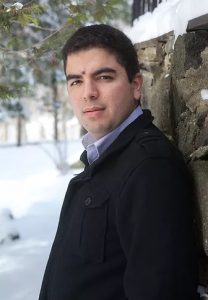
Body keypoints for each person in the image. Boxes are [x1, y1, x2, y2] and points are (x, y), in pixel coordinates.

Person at [38, 24, 198, 300]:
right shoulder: (105, 155)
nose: (88, 92)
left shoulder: (150, 167)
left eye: (103, 77)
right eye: (76, 80)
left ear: (136, 86)